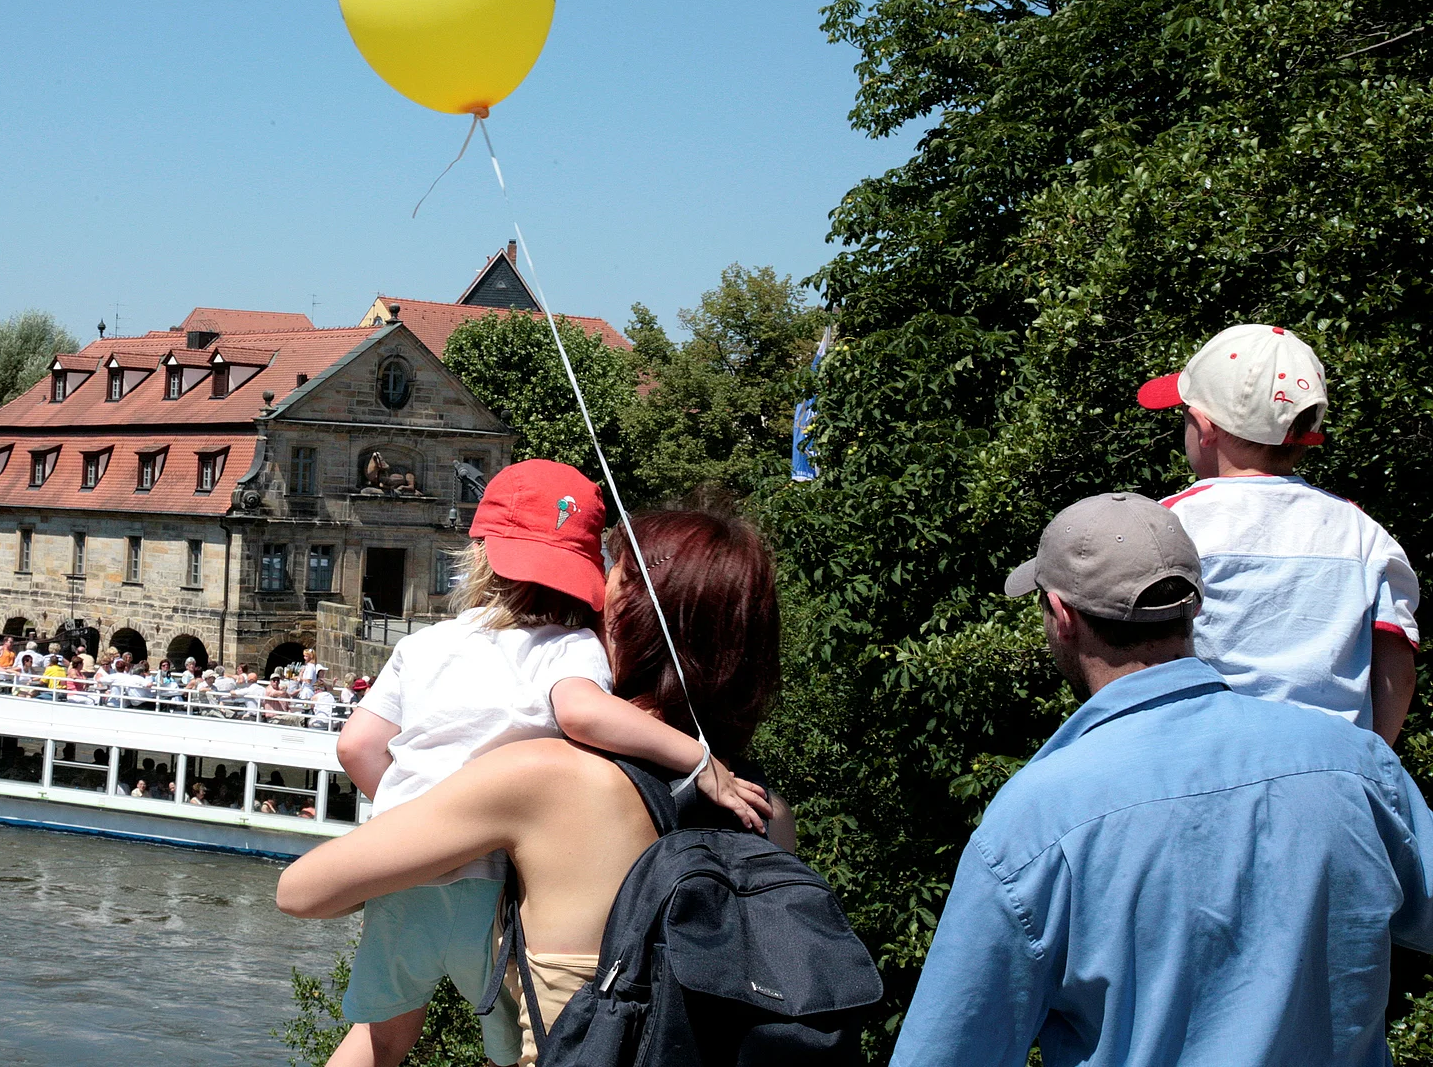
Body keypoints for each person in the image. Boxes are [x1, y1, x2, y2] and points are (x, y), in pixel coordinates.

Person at [890, 492, 1433, 1066]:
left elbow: (945, 1050)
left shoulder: (1036, 821)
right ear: (1192, 607)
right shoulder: (1353, 763)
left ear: (1062, 615)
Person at [279, 506, 792, 1067]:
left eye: (605, 586)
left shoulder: (542, 776)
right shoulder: (768, 812)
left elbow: (302, 892)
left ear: (628, 618)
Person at [1138, 324, 1420, 740]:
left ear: (1204, 426)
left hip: (1210, 763)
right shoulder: (1361, 532)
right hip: (1334, 768)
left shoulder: (1164, 524)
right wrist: (1370, 758)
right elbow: (1396, 663)